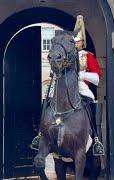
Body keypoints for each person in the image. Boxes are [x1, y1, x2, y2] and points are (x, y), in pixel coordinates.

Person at [31, 15, 101, 150]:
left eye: (77, 41)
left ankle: (96, 138)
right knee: (47, 99)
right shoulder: (64, 52)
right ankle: (40, 134)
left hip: (79, 85)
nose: (75, 44)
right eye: (73, 42)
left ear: (82, 42)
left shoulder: (87, 56)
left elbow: (97, 77)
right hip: (60, 84)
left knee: (91, 100)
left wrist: (81, 75)